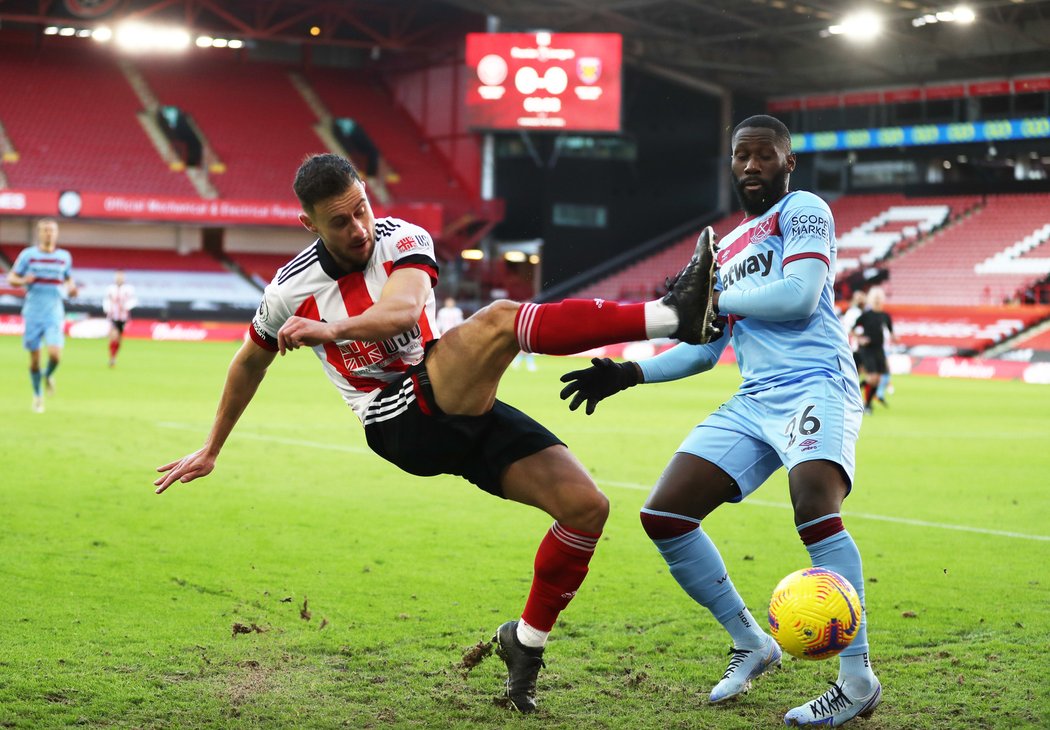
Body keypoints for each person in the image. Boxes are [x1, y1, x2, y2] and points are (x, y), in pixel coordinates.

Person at [153, 153, 720, 714]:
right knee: (500, 319)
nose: (359, 229)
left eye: (361, 210)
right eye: (339, 222)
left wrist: (330, 329)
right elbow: (247, 363)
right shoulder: (286, 292)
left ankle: (525, 641)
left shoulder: (403, 239)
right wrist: (212, 448)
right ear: (310, 225)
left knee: (585, 508)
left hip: (450, 394)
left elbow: (401, 312)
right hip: (398, 421)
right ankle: (673, 315)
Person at [559, 115, 881, 727]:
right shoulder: (724, 248)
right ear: (731, 165)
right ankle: (750, 642)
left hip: (816, 383)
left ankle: (857, 677)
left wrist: (707, 297)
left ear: (788, 163)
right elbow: (705, 349)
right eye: (742, 157)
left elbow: (799, 295)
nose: (752, 165)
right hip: (756, 398)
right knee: (665, 515)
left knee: (814, 502)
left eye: (765, 155)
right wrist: (631, 372)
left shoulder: (804, 209)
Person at [7, 218, 78, 413]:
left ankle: (48, 375)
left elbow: (68, 278)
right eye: (45, 230)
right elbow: (11, 278)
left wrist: (72, 289)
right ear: (39, 233)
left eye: (52, 230)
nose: (48, 233)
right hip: (33, 313)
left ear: (56, 234)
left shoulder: (64, 257)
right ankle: (38, 395)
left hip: (54, 313)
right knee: (35, 360)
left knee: (55, 355)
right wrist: (23, 280)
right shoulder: (28, 255)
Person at [854, 286, 895, 413]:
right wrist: (860, 339)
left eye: (879, 298)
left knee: (877, 379)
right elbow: (852, 329)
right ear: (871, 299)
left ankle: (867, 404)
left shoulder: (885, 316)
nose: (877, 300)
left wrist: (895, 338)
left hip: (879, 350)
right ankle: (855, 394)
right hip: (867, 350)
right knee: (871, 377)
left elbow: (891, 331)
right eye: (875, 298)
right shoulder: (866, 315)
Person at [103, 269, 138, 367]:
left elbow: (134, 301)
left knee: (119, 339)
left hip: (123, 318)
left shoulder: (129, 289)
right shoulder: (110, 289)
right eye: (118, 276)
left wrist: (126, 306)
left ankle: (114, 356)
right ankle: (111, 358)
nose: (119, 278)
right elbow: (106, 300)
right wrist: (106, 309)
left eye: (121, 276)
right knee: (113, 335)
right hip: (113, 316)